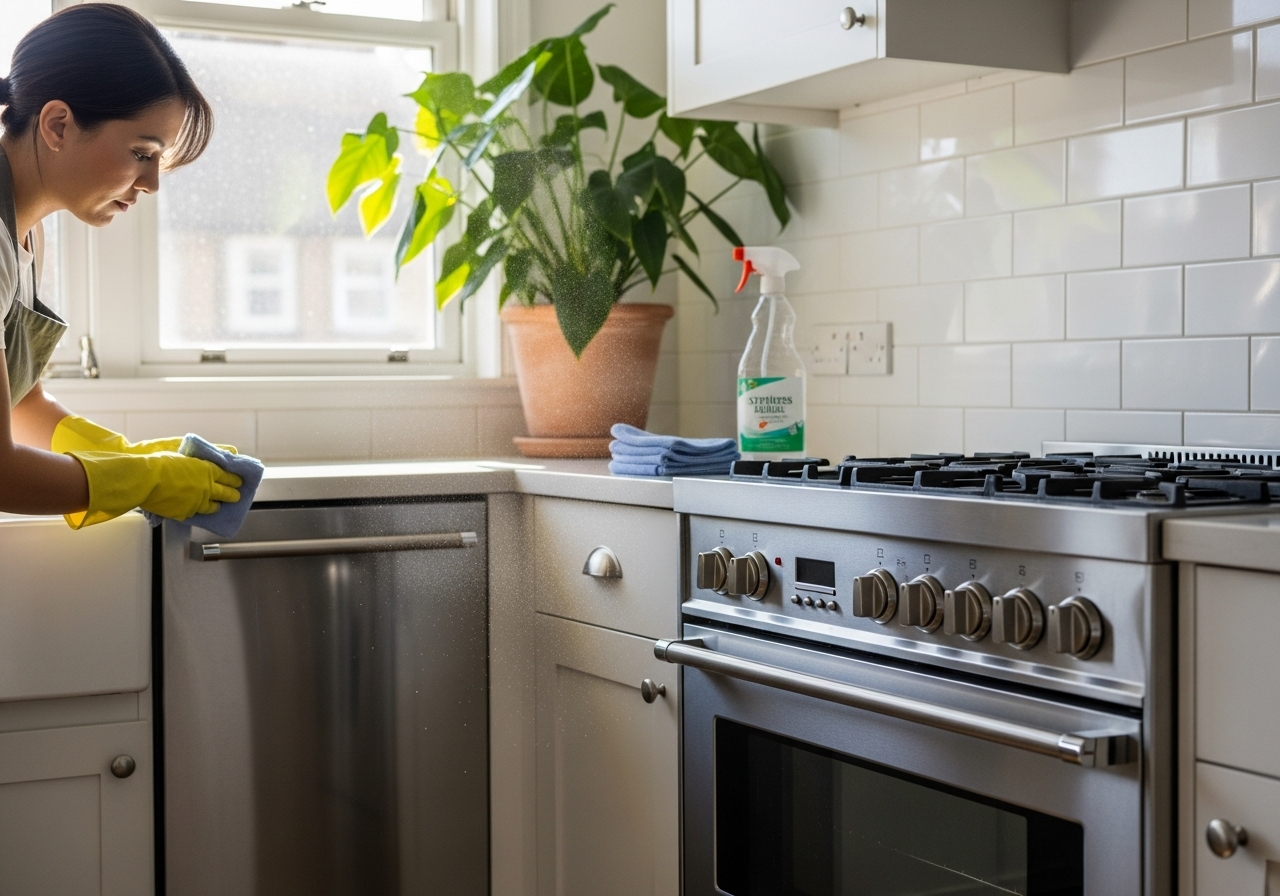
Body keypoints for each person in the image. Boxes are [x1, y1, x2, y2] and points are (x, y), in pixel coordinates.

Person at [0, 3, 241, 528]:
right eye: (141, 153)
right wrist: (143, 477)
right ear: (58, 125)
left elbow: (21, 403)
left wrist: (122, 454)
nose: (152, 183)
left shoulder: (27, 234)